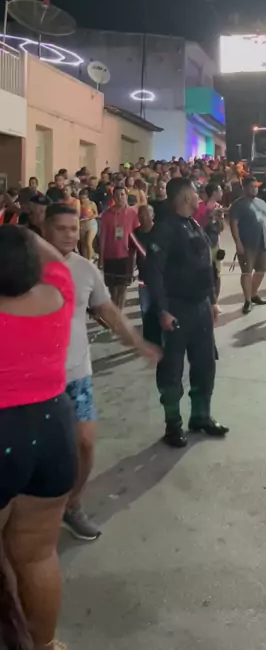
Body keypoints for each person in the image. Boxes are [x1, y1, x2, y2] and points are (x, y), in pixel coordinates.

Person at [44, 204, 158, 542]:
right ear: (45, 229)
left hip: (77, 373)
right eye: (61, 228)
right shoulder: (25, 265)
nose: (69, 234)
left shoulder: (85, 269)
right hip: (35, 380)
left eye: (73, 228)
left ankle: (72, 505)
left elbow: (108, 310)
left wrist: (138, 343)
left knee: (85, 443)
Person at [0, 225, 77, 649]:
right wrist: (20, 231)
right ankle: (44, 645)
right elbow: (52, 255)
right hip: (53, 430)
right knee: (38, 554)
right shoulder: (59, 292)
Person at [144, 178, 228, 447]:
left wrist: (212, 301)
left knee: (205, 365)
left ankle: (201, 416)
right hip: (176, 309)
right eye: (194, 193)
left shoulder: (193, 224)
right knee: (172, 370)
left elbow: (205, 266)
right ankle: (173, 425)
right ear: (184, 197)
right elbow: (154, 274)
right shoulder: (164, 229)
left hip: (200, 306)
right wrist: (163, 310)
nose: (198, 197)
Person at [229, 175, 266, 315]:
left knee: (262, 269)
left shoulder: (262, 203)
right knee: (247, 272)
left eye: (256, 186)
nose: (255, 189)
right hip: (247, 244)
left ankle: (253, 293)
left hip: (263, 243)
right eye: (251, 187)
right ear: (244, 188)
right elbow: (234, 224)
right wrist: (238, 242)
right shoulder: (238, 205)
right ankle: (248, 299)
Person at [99, 186, 138, 310]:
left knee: (123, 286)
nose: (120, 197)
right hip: (110, 255)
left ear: (126, 196)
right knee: (112, 288)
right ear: (113, 198)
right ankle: (114, 310)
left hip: (126, 255)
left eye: (122, 194)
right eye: (117, 195)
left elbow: (137, 235)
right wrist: (101, 258)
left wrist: (137, 256)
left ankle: (119, 312)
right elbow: (103, 237)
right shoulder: (106, 215)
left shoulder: (133, 213)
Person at [194, 181, 225, 301]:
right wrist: (209, 215)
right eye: (220, 190)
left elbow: (221, 228)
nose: (222, 193)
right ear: (214, 193)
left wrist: (220, 219)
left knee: (217, 274)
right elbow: (197, 225)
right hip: (201, 245)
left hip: (215, 244)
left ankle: (215, 300)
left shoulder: (219, 207)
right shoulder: (200, 207)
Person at [78, 188, 99, 261]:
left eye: (84, 198)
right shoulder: (78, 204)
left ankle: (90, 259)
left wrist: (89, 218)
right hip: (82, 224)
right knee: (83, 244)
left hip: (91, 223)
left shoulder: (91, 203)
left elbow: (96, 214)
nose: (82, 200)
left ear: (87, 197)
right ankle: (86, 258)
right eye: (81, 198)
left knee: (88, 242)